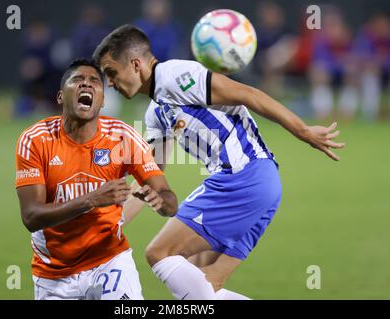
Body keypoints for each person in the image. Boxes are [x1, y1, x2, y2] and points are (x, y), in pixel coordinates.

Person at [93, 25, 345, 300]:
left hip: (241, 177)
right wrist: (109, 224)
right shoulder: (156, 112)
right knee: (203, 282)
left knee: (159, 253)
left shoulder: (174, 75)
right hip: (260, 185)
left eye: (111, 73)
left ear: (135, 64)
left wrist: (303, 131)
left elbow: (250, 94)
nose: (111, 84)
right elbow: (149, 181)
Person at [15, 58, 178, 300]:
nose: (86, 85)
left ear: (102, 101)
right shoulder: (35, 140)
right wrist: (91, 199)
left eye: (94, 81)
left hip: (110, 262)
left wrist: (160, 201)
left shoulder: (123, 137)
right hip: (54, 275)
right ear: (60, 97)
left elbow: (170, 202)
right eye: (77, 80)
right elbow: (31, 217)